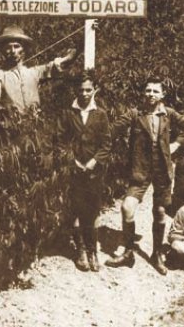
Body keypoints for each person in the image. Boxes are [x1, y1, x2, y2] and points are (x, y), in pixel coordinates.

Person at [107, 79, 184, 274]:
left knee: (161, 212)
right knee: (127, 207)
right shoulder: (135, 113)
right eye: (147, 90)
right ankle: (128, 252)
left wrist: (176, 145)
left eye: (155, 91)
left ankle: (156, 254)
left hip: (162, 169)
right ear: (143, 93)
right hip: (140, 169)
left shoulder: (169, 114)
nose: (151, 94)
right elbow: (112, 129)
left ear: (162, 95)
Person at [57, 70, 111, 272]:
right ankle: (80, 251)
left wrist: (94, 162)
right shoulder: (68, 113)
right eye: (81, 90)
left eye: (89, 90)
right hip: (74, 170)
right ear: (76, 90)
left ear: (94, 90)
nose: (85, 94)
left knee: (93, 210)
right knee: (77, 210)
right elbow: (61, 141)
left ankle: (92, 250)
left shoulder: (101, 114)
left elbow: (106, 144)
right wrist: (74, 162)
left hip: (95, 171)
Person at [0, 25, 77, 117]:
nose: (13, 51)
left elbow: (55, 67)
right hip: (10, 129)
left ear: (23, 49)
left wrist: (70, 56)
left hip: (35, 127)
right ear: (2, 51)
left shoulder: (33, 73)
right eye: (8, 47)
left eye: (16, 46)